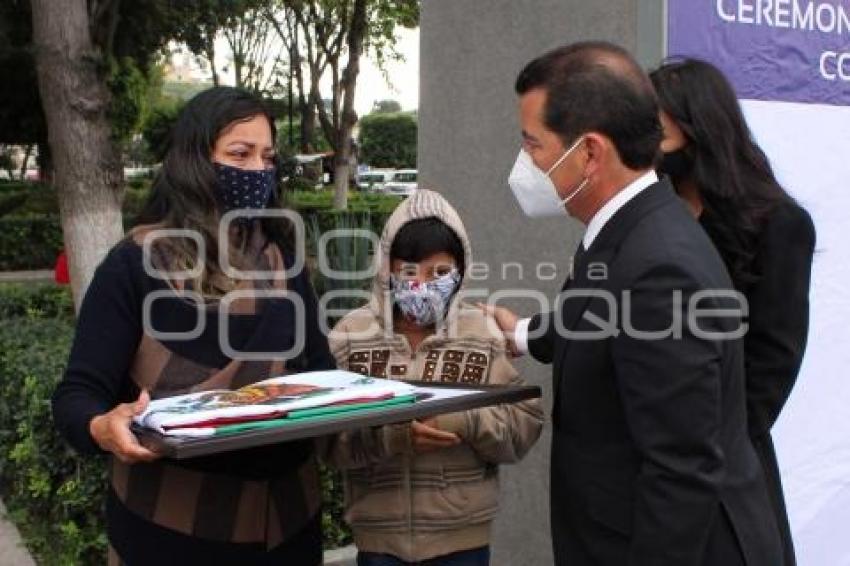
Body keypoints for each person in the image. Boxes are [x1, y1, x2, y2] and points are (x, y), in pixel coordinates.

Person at [481, 42, 783, 565]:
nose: (525, 161)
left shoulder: (658, 267)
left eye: (533, 144)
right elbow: (594, 322)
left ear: (591, 153)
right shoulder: (627, 232)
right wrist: (519, 333)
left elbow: (680, 471)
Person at [52, 87, 335, 565]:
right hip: (169, 532)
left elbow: (322, 373)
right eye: (239, 154)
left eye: (267, 157)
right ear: (194, 160)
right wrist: (102, 425)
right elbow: (78, 393)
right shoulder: (135, 265)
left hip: (288, 524)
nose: (257, 171)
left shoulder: (283, 262)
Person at [650, 58, 817, 566]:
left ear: (694, 120)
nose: (643, 134)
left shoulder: (778, 222)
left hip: (727, 460)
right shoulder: (655, 215)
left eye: (654, 120)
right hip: (653, 458)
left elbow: (773, 362)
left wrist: (709, 440)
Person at [322, 189, 543, 566]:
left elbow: (523, 427)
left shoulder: (482, 333)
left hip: (462, 539)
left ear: (460, 271)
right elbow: (327, 441)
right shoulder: (350, 335)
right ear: (387, 267)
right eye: (409, 271)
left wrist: (458, 415)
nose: (423, 283)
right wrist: (391, 436)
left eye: (439, 272)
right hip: (379, 542)